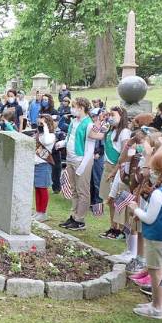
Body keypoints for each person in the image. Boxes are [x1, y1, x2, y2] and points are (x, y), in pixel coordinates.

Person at [130, 153, 162, 320]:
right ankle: (157, 304)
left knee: (155, 271)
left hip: (156, 236)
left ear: (159, 171)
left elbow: (149, 218)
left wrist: (135, 208)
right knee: (158, 270)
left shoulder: (159, 193)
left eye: (152, 169)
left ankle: (158, 307)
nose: (150, 172)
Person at [58, 97, 96, 231]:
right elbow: (70, 137)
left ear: (81, 108)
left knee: (82, 191)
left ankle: (80, 219)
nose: (72, 110)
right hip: (70, 158)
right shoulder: (74, 121)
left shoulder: (89, 124)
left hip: (81, 160)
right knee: (74, 190)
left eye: (74, 107)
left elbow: (89, 148)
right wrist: (63, 143)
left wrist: (83, 165)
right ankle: (73, 215)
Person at [99, 107, 132, 240]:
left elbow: (124, 154)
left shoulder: (124, 132)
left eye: (113, 115)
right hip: (107, 165)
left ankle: (119, 229)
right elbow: (98, 132)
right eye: (110, 114)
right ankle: (113, 226)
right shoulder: (110, 130)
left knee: (116, 199)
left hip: (117, 168)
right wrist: (102, 118)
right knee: (109, 199)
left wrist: (115, 171)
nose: (110, 117)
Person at [33, 115, 56, 222]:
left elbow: (46, 142)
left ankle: (43, 212)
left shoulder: (51, 135)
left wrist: (45, 127)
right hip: (35, 165)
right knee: (37, 188)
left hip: (44, 165)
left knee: (42, 189)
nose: (40, 125)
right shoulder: (39, 134)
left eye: (42, 123)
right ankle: (38, 211)